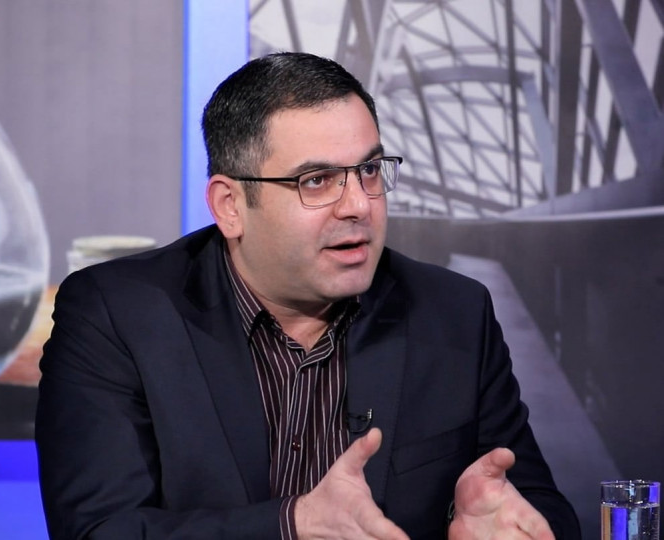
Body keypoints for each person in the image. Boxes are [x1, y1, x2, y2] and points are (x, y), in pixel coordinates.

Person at [35, 52, 580, 539]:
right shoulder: (116, 315)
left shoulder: (454, 313)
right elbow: (99, 529)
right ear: (229, 206)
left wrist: (506, 527)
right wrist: (291, 526)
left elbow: (539, 506)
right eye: (316, 180)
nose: (358, 205)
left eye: (369, 170)